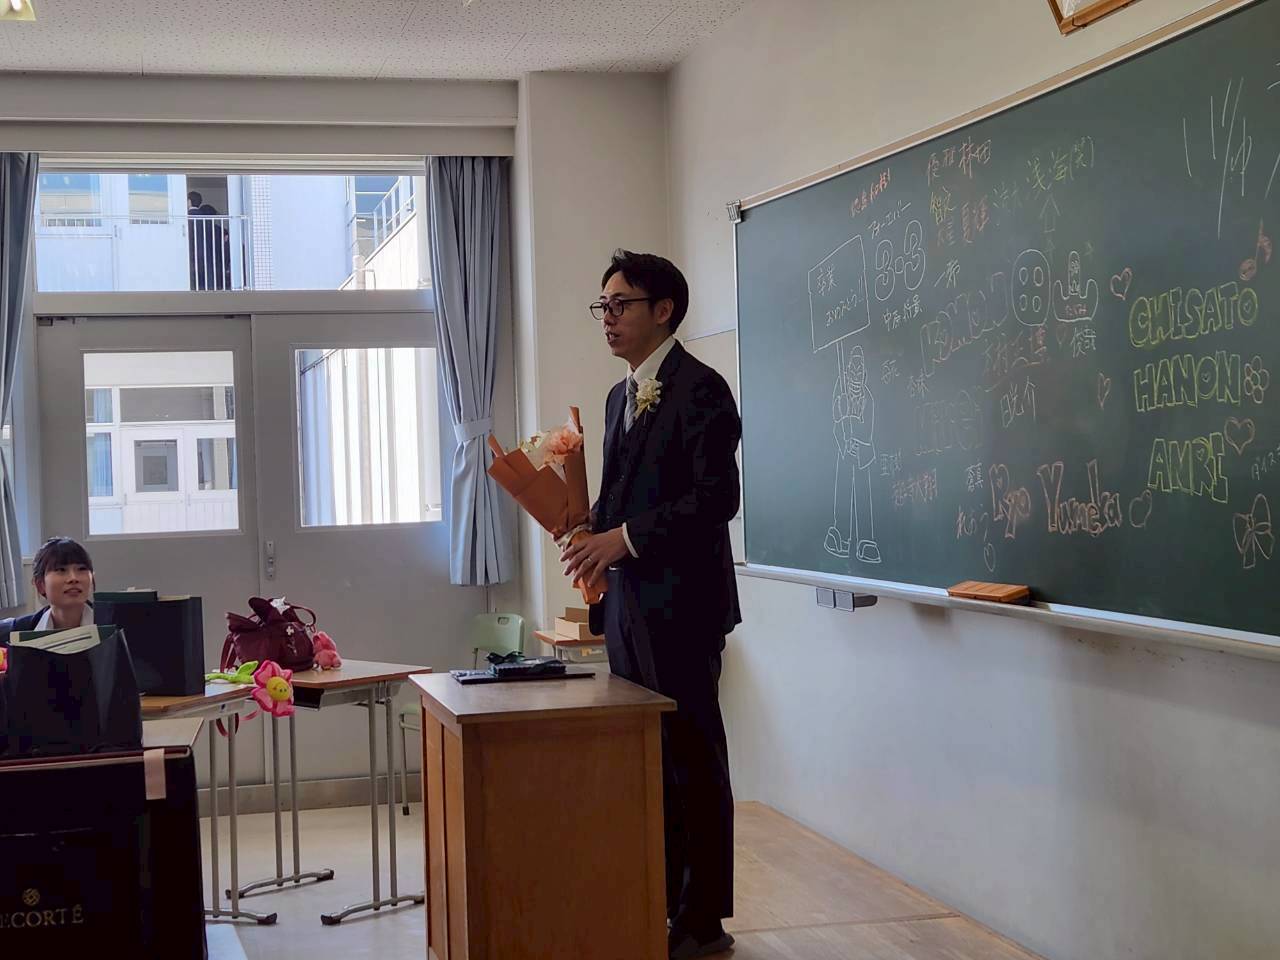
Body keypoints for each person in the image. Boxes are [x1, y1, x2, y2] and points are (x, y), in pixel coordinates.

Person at [562, 250, 741, 960]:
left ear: (663, 310)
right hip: (628, 607)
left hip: (684, 606)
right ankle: (662, 902)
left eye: (621, 305)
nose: (607, 318)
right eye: (602, 307)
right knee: (648, 761)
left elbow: (715, 498)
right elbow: (622, 497)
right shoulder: (619, 396)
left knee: (693, 757)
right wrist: (584, 526)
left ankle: (703, 919)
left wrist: (626, 537)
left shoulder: (702, 389)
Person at [0, 537, 96, 642]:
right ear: (40, 584)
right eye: (61, 570)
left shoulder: (109, 625)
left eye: (82, 569)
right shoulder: (14, 631)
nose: (73, 578)